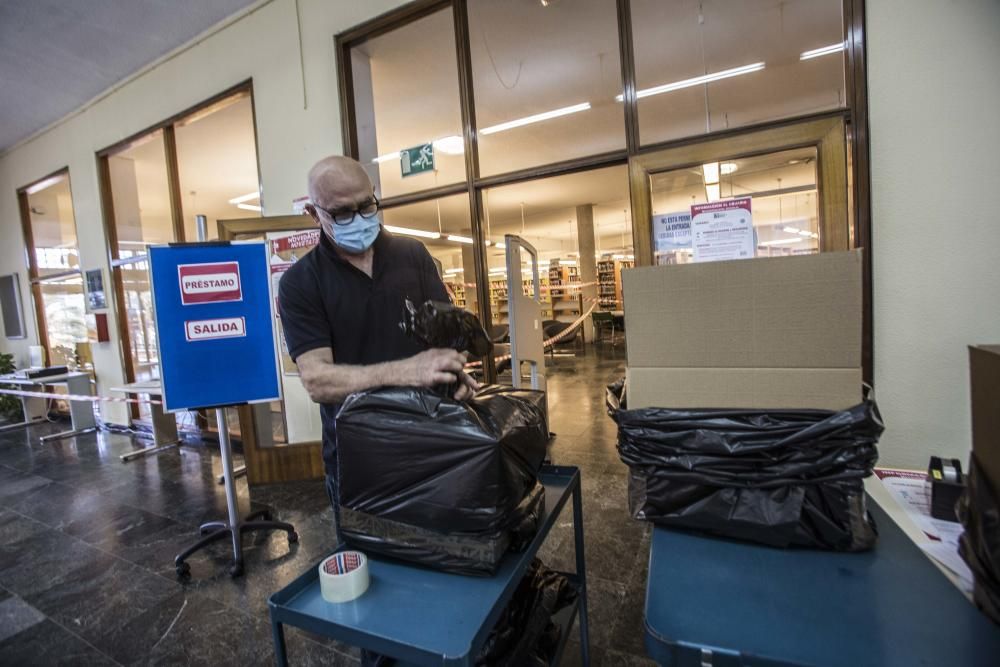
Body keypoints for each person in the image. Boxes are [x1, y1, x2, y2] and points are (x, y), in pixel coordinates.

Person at [279, 155, 479, 536]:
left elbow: (451, 338)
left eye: (367, 206)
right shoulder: (300, 284)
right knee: (373, 566)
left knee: (442, 557)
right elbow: (318, 380)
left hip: (431, 444)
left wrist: (453, 369)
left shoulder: (413, 256)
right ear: (313, 213)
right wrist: (407, 371)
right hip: (360, 461)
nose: (359, 219)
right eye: (342, 213)